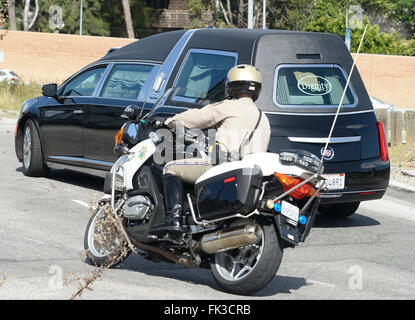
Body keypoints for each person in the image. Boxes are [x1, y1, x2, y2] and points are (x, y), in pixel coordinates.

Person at [150, 64, 271, 234]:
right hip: (247, 172)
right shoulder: (263, 117)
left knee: (171, 168)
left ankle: (174, 218)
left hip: (221, 166)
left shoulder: (229, 106)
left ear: (231, 87)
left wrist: (168, 122)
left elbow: (198, 117)